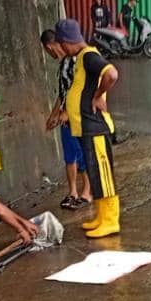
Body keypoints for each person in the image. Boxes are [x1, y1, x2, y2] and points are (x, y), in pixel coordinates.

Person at [44, 19, 121, 238]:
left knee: (103, 175)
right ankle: (102, 216)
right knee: (95, 174)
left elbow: (112, 74)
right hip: (86, 127)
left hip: (96, 127)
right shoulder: (81, 58)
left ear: (68, 41)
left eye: (62, 44)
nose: (62, 49)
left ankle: (111, 221)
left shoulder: (88, 56)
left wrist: (97, 96)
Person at [41, 28, 92, 210]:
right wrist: (54, 114)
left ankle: (87, 192)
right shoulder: (63, 63)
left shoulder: (75, 61)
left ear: (49, 47)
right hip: (65, 117)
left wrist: (67, 112)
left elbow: (79, 90)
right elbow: (63, 93)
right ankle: (72, 192)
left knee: (82, 154)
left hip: (77, 116)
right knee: (70, 156)